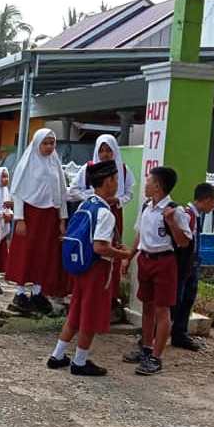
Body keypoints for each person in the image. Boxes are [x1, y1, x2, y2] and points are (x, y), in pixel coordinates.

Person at [47, 160, 134, 376]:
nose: (116, 183)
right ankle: (80, 361)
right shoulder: (105, 213)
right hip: (97, 269)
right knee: (89, 315)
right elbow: (100, 247)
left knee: (76, 311)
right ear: (107, 182)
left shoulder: (86, 204)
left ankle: (57, 355)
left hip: (81, 266)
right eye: (114, 179)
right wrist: (124, 254)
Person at [124, 166, 192, 376]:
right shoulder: (147, 206)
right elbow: (139, 234)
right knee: (147, 306)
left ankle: (156, 356)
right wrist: (129, 256)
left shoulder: (174, 211)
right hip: (146, 259)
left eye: (149, 181)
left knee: (163, 310)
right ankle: (145, 347)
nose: (146, 183)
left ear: (158, 186)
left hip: (164, 262)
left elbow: (183, 242)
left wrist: (171, 222)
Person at [69, 134, 135, 314]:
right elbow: (73, 190)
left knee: (111, 251)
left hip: (114, 212)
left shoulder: (123, 169)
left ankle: (110, 297)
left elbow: (129, 193)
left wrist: (118, 200)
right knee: (92, 250)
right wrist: (94, 197)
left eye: (108, 150)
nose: (105, 154)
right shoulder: (88, 168)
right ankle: (88, 294)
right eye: (102, 150)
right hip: (92, 213)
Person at [6, 128, 69, 315]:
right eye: (46, 143)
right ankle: (20, 293)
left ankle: (37, 293)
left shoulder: (55, 163)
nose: (49, 147)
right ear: (37, 143)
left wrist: (62, 219)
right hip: (30, 215)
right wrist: (20, 218)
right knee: (26, 252)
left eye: (52, 143)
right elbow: (17, 192)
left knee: (45, 254)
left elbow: (61, 193)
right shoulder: (27, 164)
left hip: (50, 215)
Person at [170, 182, 214, 351]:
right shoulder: (187, 215)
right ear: (206, 199)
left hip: (193, 262)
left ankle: (179, 333)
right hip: (184, 264)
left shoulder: (195, 216)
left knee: (188, 299)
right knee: (176, 300)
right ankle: (158, 333)